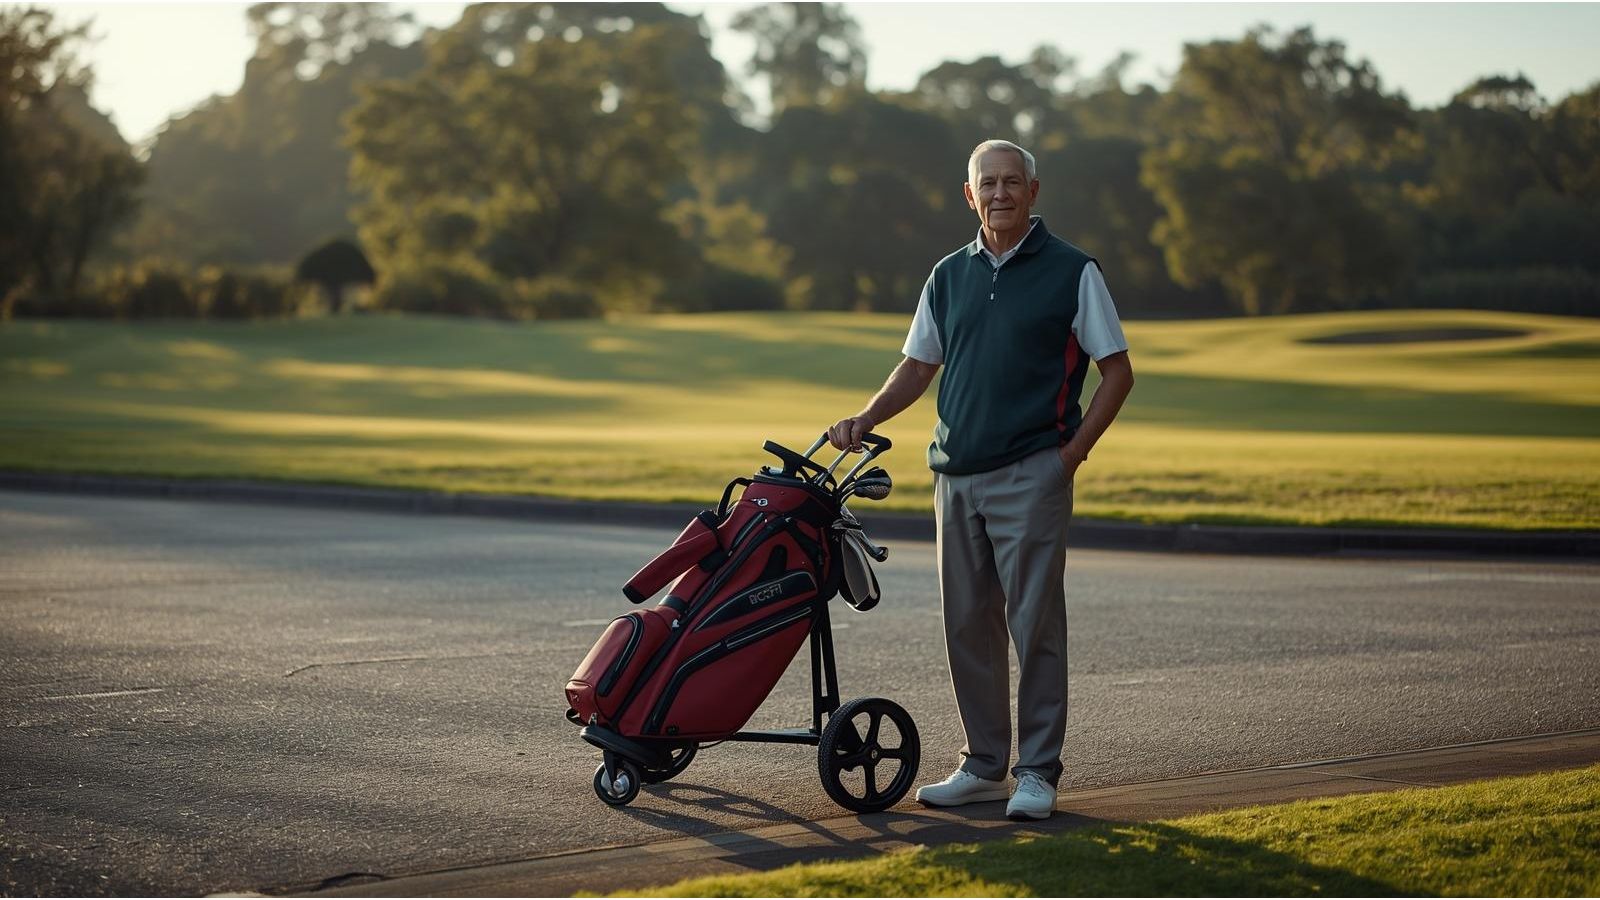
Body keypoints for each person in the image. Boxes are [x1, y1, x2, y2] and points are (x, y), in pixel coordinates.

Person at [827, 139, 1134, 820]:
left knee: (1034, 626)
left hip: (1034, 469)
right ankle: (985, 765)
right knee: (967, 625)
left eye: (1011, 182)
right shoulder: (947, 275)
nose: (999, 193)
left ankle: (1038, 773)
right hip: (955, 474)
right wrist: (867, 415)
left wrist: (1071, 456)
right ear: (969, 195)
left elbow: (1118, 371)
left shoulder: (1072, 270)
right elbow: (917, 366)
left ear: (1033, 190)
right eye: (986, 184)